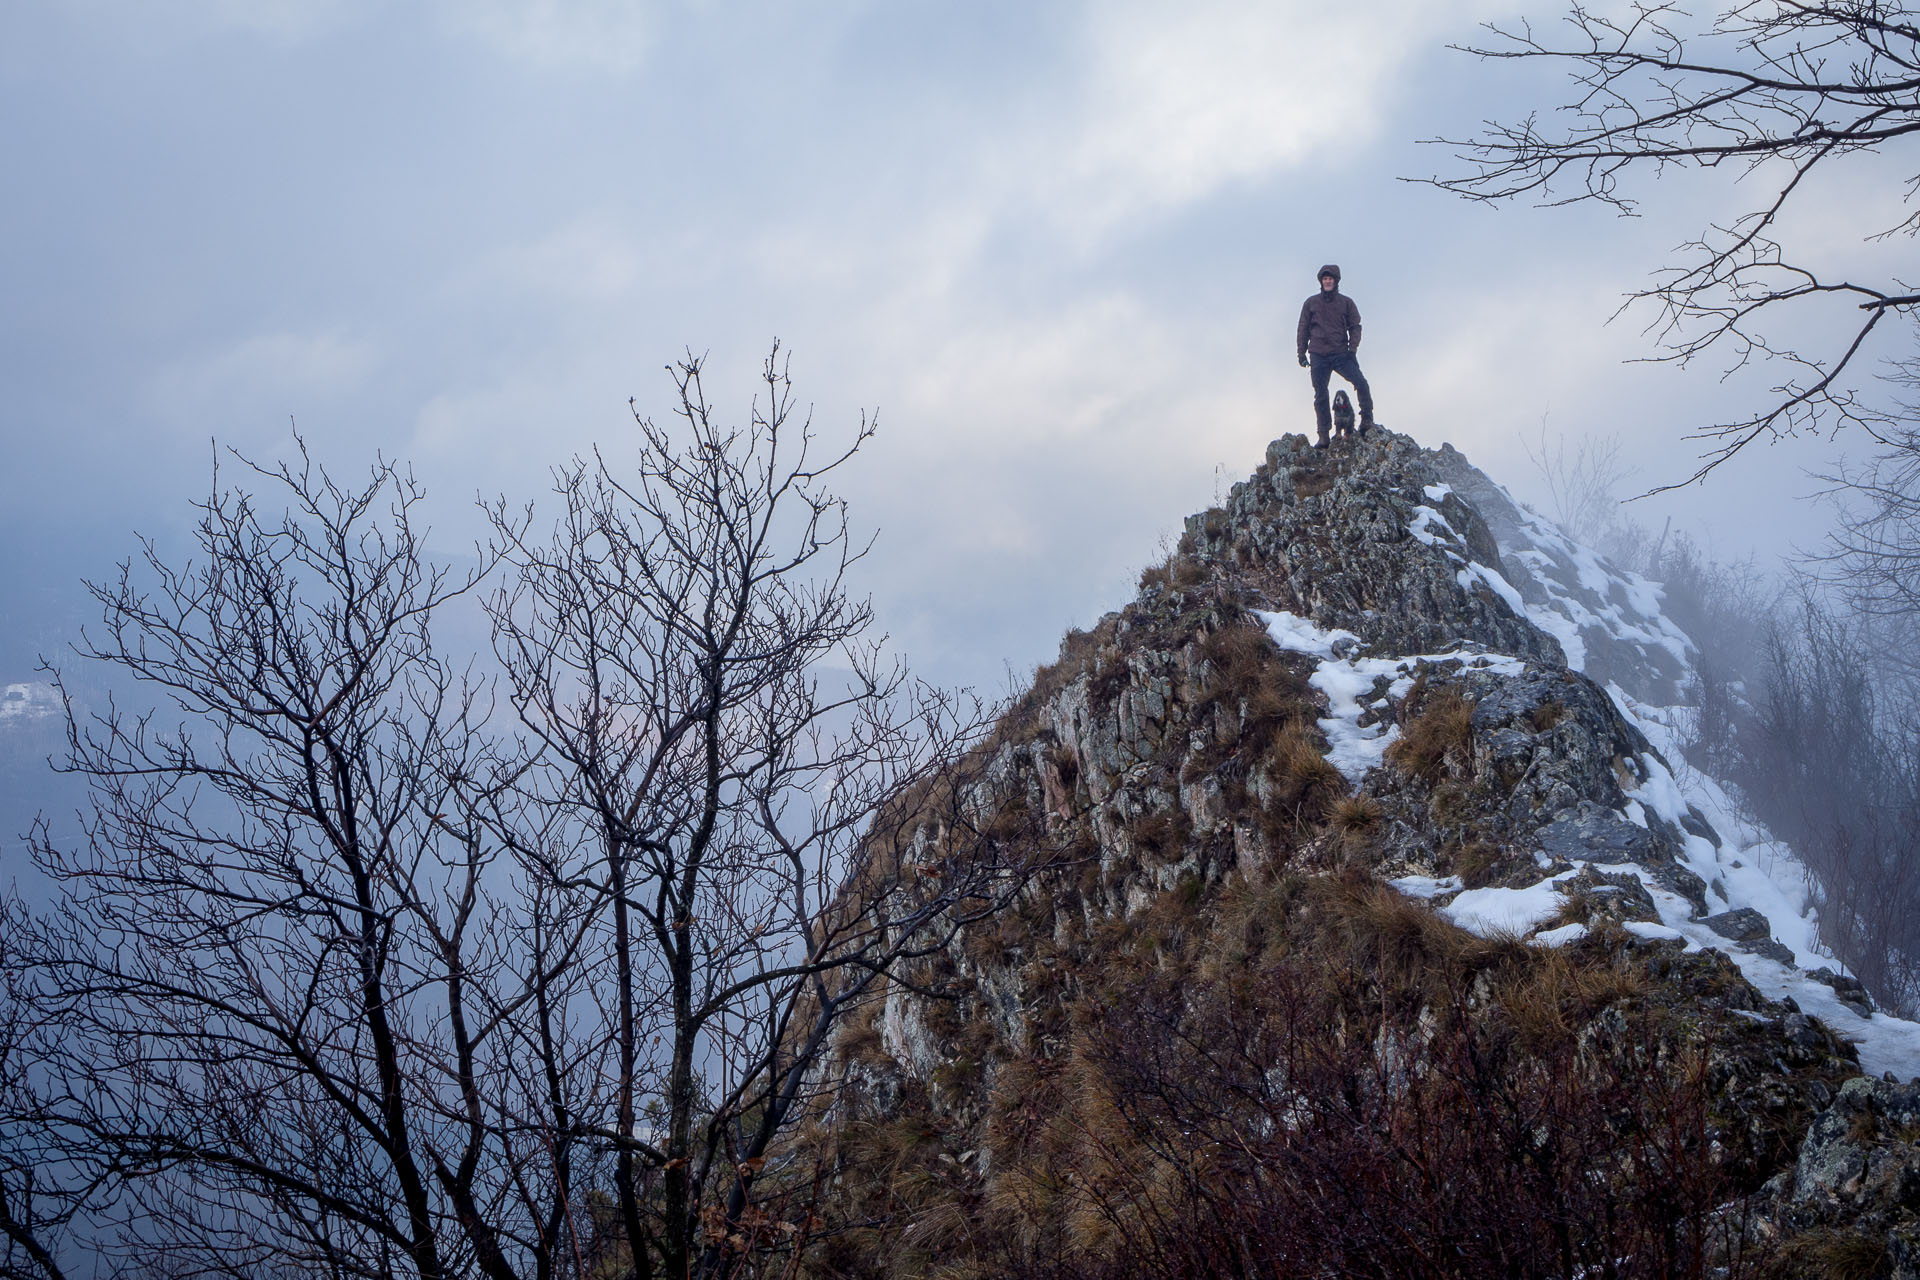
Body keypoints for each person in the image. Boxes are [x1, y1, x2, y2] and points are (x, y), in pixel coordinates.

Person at [1295, 264, 1375, 448]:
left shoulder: (1346, 303)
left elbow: (1356, 326)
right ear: (1321, 282)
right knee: (1321, 395)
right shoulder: (1311, 303)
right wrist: (1301, 352)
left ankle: (1367, 421)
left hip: (1341, 354)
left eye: (1330, 278)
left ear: (1336, 281)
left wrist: (1352, 349)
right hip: (1318, 355)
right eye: (1325, 279)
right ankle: (1323, 435)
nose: (1328, 281)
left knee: (1361, 383)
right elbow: (1303, 328)